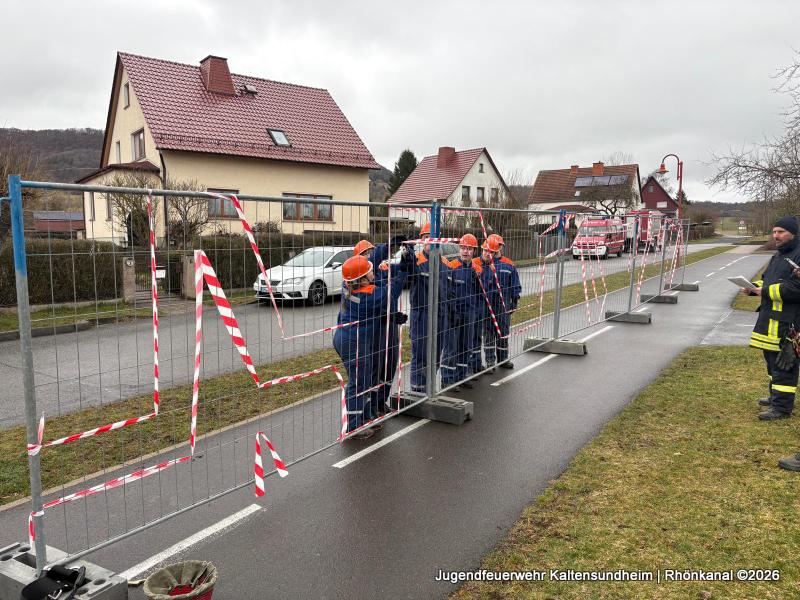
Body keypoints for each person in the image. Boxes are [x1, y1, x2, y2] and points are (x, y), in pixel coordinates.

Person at [333, 254, 405, 439]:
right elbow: (392, 292)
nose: (373, 271)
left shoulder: (348, 287)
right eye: (370, 271)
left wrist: (389, 317)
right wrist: (404, 270)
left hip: (348, 337)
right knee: (358, 383)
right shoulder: (367, 296)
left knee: (363, 380)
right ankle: (353, 426)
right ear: (363, 280)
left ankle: (364, 418)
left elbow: (372, 311)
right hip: (353, 342)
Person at [742, 216, 800, 428]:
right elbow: (768, 280)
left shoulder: (798, 255)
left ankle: (782, 408)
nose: (776, 235)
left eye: (781, 232)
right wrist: (752, 288)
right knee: (772, 362)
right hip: (770, 319)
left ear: (793, 233)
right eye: (774, 231)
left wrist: (764, 291)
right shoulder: (778, 255)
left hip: (789, 322)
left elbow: (795, 289)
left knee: (785, 365)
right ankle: (775, 396)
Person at [408, 223, 449, 393]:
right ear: (421, 240)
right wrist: (407, 255)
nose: (430, 242)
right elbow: (405, 274)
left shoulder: (445, 263)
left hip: (440, 315)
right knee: (420, 356)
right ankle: (418, 391)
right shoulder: (416, 262)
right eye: (426, 238)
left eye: (433, 238)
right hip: (421, 316)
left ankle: (429, 389)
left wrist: (450, 313)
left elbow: (448, 291)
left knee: (436, 355)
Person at [441, 234, 483, 390]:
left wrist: (478, 279)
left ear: (474, 251)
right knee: (451, 347)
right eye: (463, 248)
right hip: (453, 313)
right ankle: (447, 379)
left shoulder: (477, 269)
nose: (466, 251)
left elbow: (481, 293)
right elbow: (445, 291)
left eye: (469, 249)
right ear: (459, 249)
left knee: (466, 345)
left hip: (470, 312)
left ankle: (461, 375)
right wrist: (450, 311)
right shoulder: (451, 267)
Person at [489, 233, 522, 369]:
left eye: (498, 246)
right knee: (488, 333)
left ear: (501, 247)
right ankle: (490, 362)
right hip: (488, 305)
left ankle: (503, 360)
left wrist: (515, 300)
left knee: (503, 333)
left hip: (503, 305)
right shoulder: (485, 263)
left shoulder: (509, 264)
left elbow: (515, 284)